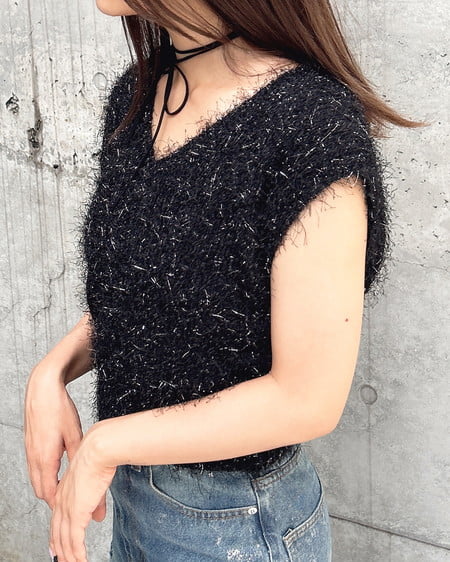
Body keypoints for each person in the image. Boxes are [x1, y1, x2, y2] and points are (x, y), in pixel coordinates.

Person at [23, 1, 427, 561]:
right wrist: (52, 372)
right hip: (135, 502)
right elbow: (151, 301)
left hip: (237, 529)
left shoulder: (310, 128)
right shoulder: (142, 95)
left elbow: (307, 399)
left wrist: (103, 445)